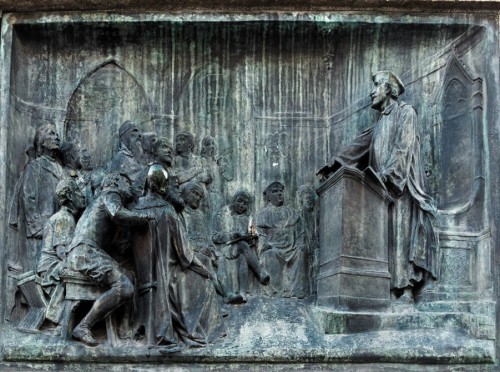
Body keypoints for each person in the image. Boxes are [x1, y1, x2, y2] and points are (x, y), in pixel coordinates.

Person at [317, 71, 438, 302]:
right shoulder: (380, 122)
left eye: (376, 86)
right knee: (386, 238)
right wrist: (335, 164)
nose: (372, 92)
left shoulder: (406, 113)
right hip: (380, 190)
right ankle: (389, 289)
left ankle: (405, 290)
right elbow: (358, 145)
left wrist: (388, 175)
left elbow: (404, 147)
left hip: (400, 188)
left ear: (389, 89)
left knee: (400, 236)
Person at [132, 165, 225, 350]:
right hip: (167, 275)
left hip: (144, 276)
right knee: (204, 281)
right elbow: (185, 254)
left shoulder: (135, 210)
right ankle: (198, 331)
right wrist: (205, 270)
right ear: (164, 187)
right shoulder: (168, 212)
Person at [65, 173, 152, 346]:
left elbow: (118, 245)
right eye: (127, 182)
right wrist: (144, 218)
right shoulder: (111, 194)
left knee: (130, 276)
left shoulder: (99, 202)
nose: (129, 188)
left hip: (84, 252)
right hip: (86, 253)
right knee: (125, 287)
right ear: (116, 182)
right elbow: (117, 214)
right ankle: (83, 326)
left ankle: (126, 329)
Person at [180, 181, 244, 304]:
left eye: (200, 196)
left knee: (220, 259)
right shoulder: (181, 213)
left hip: (205, 248)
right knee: (206, 261)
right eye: (195, 194)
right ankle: (226, 294)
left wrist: (211, 249)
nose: (198, 198)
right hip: (188, 252)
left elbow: (207, 237)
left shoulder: (200, 215)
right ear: (186, 194)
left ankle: (227, 291)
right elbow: (182, 237)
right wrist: (198, 248)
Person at [36, 179, 86, 326]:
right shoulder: (65, 218)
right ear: (70, 196)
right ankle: (56, 317)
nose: (82, 196)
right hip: (51, 267)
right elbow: (62, 251)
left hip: (49, 265)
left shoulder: (65, 216)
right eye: (78, 192)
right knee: (74, 273)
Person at [256, 182, 309, 299]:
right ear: (268, 196)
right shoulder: (262, 215)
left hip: (292, 248)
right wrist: (264, 245)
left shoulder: (292, 212)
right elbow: (260, 235)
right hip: (274, 248)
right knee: (269, 254)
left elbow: (301, 232)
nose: (279, 193)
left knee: (302, 251)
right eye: (275, 191)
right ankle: (277, 291)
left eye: (280, 191)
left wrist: (300, 243)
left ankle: (298, 290)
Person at [212, 191, 269, 299]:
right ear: (233, 201)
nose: (242, 206)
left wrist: (251, 236)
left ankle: (242, 292)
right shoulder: (223, 214)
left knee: (243, 254)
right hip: (225, 248)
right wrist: (231, 235)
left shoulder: (247, 218)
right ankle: (260, 272)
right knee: (243, 246)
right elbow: (215, 237)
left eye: (245, 204)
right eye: (239, 201)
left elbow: (252, 234)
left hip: (242, 248)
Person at [108, 121, 148, 201]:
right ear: (124, 136)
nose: (140, 135)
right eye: (135, 131)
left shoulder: (141, 160)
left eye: (139, 131)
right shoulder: (119, 158)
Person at [200, 136, 234, 221]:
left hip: (221, 196)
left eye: (213, 144)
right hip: (209, 196)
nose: (212, 146)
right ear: (204, 148)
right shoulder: (202, 161)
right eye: (208, 144)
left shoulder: (220, 160)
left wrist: (222, 166)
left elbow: (230, 177)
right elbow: (203, 178)